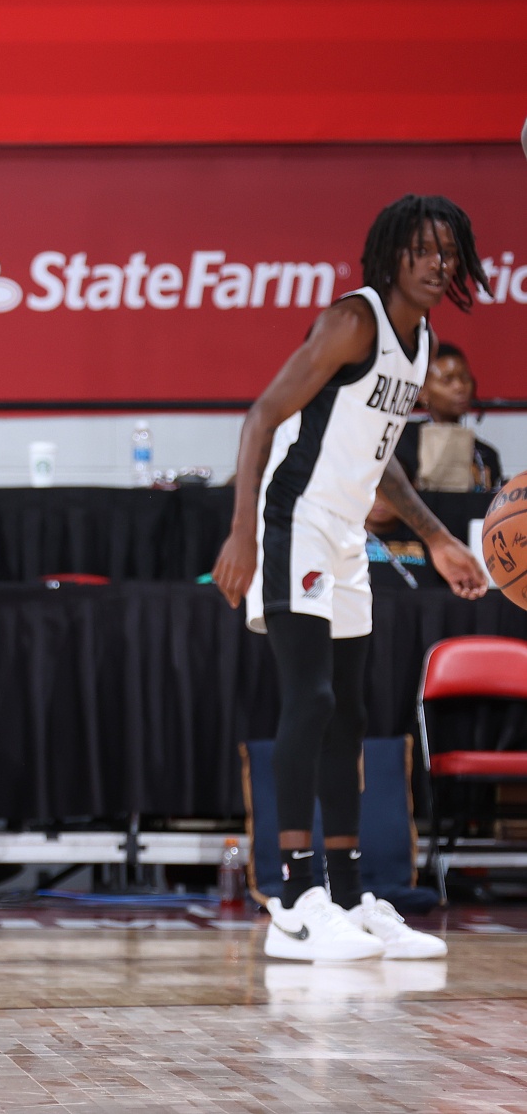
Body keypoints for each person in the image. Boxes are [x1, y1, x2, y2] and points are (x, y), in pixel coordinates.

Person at [214, 194, 490, 962]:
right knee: (311, 698)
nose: (438, 264)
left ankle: (346, 894)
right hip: (292, 520)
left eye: (448, 253)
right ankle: (295, 900)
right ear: (392, 255)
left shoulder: (419, 341)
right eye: (423, 249)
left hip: (343, 533)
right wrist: (241, 533)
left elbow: (380, 454)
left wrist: (436, 537)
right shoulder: (353, 321)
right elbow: (261, 416)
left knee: (351, 714)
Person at [394, 341, 503, 492]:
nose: (459, 387)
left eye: (465, 378)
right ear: (422, 392)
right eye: (447, 380)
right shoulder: (401, 439)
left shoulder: (486, 455)